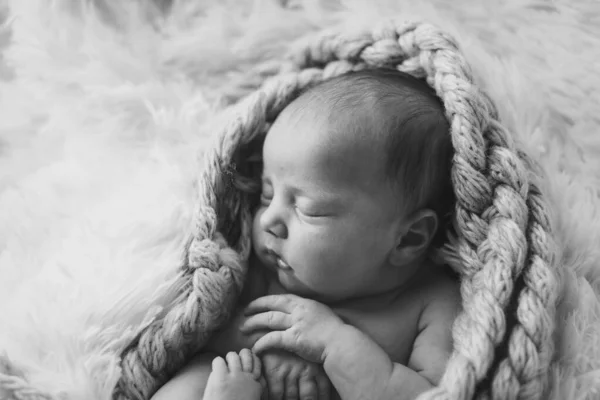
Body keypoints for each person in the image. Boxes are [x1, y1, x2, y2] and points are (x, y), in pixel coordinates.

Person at [151, 68, 461, 400]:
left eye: (307, 209)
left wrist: (333, 343)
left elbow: (433, 394)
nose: (269, 220)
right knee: (195, 379)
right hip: (237, 384)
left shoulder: (433, 302)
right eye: (266, 196)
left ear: (408, 239)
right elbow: (204, 334)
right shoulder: (263, 274)